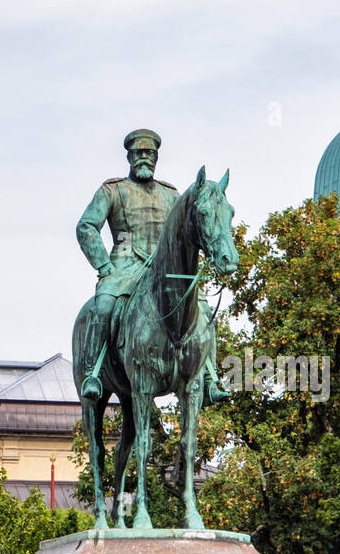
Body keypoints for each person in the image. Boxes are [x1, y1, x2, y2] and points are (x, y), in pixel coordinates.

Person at [75, 128, 229, 405]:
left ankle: (210, 377)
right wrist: (103, 265)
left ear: (156, 157)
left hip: (165, 273)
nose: (144, 158)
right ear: (129, 156)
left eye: (149, 154)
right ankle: (93, 373)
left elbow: (187, 230)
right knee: (103, 306)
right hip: (123, 267)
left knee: (202, 309)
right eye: (139, 153)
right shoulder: (113, 190)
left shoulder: (171, 195)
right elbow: (86, 227)